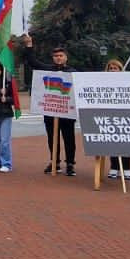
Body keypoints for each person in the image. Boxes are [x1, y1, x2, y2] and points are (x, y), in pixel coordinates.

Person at [18, 35, 79, 176]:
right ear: (53, 58)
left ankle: (70, 164)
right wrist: (29, 45)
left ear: (66, 57)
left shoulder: (74, 72)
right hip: (51, 111)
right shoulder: (47, 70)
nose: (58, 58)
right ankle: (55, 162)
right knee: (52, 138)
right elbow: (33, 62)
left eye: (61, 55)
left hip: (67, 112)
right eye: (56, 56)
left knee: (69, 138)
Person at [104, 59, 130, 181]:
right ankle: (114, 166)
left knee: (125, 141)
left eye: (115, 68)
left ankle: (126, 168)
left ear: (120, 69)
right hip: (109, 115)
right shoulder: (103, 83)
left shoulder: (128, 82)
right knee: (112, 141)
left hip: (125, 115)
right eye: (110, 68)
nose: (113, 70)